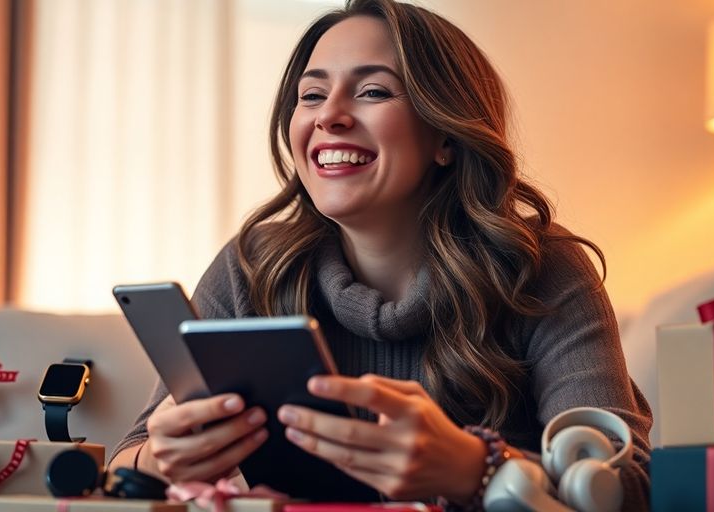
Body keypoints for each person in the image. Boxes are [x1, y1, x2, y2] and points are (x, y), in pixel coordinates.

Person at [109, 0, 652, 509]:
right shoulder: (252, 266)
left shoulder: (541, 267)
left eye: (372, 92)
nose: (330, 117)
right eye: (312, 95)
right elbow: (124, 466)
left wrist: (475, 469)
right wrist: (162, 458)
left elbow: (633, 486)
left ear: (446, 134)